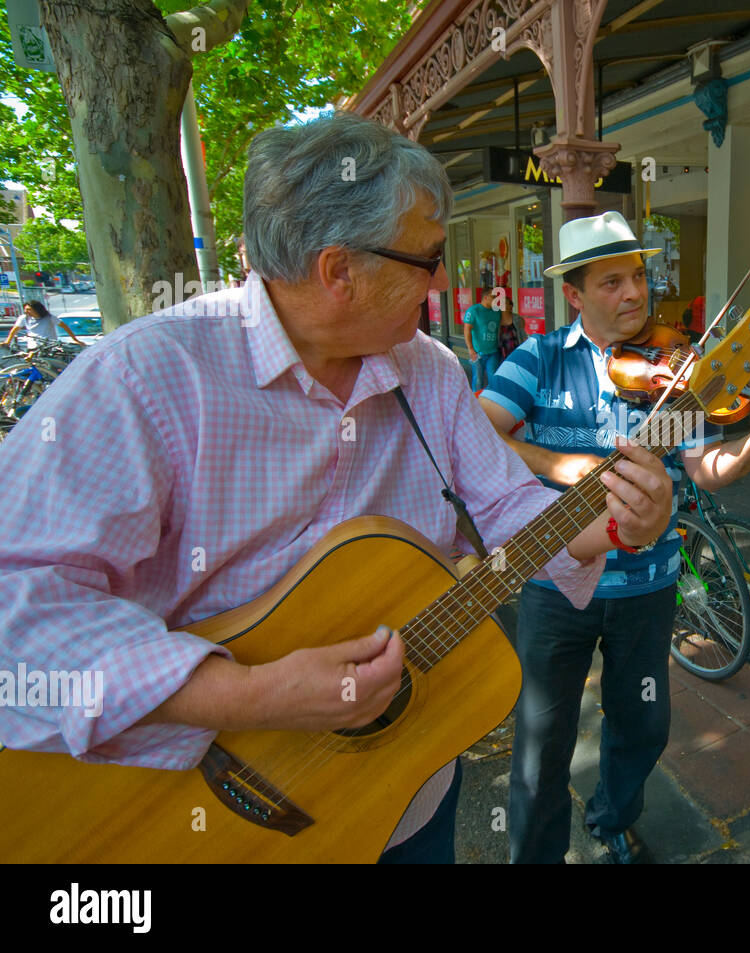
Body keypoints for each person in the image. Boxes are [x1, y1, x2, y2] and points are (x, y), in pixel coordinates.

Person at [0, 112, 674, 864]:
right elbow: (15, 612)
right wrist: (252, 695)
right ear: (338, 270)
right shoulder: (143, 377)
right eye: (428, 256)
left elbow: (507, 508)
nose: (445, 280)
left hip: (402, 791)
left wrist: (618, 524)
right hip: (185, 811)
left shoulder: (431, 370)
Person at [479, 210, 750, 863]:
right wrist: (559, 465)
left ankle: (613, 818)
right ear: (574, 294)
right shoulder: (539, 359)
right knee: (540, 742)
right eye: (611, 282)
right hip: (556, 586)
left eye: (637, 276)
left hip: (649, 584)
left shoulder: (677, 375)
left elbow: (708, 472)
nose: (633, 293)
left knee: (642, 724)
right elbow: (478, 430)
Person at [3, 299, 87, 349]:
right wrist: (7, 342)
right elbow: (14, 330)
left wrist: (75, 340)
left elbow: (65, 327)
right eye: (25, 309)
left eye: (29, 309)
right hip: (33, 347)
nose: (26, 312)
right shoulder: (23, 318)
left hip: (49, 347)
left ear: (36, 309)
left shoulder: (49, 318)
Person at [462, 289, 501, 390]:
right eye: (493, 297)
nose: (496, 299)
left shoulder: (497, 311)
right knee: (478, 379)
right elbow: (467, 330)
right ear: (485, 297)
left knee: (493, 377)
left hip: (493, 351)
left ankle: (493, 400)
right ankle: (476, 401)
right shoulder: (473, 311)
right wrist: (470, 349)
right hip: (477, 352)